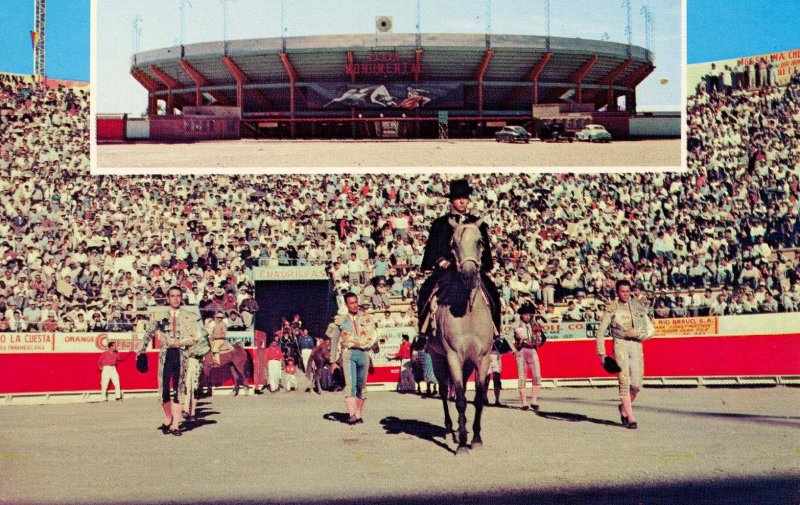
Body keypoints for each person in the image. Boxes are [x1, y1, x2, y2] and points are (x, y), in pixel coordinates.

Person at [417, 178, 501, 335]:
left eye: (465, 198)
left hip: (471, 269)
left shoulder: (478, 223)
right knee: (425, 292)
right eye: (458, 198)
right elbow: (433, 249)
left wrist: (478, 264)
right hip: (448, 271)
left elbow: (485, 251)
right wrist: (441, 261)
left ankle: (497, 335)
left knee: (493, 293)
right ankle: (423, 334)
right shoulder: (440, 223)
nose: (462, 201)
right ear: (451, 200)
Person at [136, 286, 205, 436]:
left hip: (182, 355)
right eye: (172, 296)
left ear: (182, 298)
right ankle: (168, 417)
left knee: (179, 389)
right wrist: (141, 350)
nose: (175, 298)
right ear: (167, 298)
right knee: (164, 389)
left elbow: (197, 337)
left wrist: (181, 343)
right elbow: (149, 333)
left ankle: (176, 424)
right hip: (165, 355)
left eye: (178, 296)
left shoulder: (189, 316)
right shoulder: (159, 316)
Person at [595, 279, 655, 430]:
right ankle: (631, 417)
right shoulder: (612, 307)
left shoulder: (636, 305)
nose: (626, 294)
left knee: (636, 385)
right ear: (617, 292)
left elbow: (647, 327)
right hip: (620, 344)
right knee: (624, 381)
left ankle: (623, 409)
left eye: (628, 291)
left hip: (635, 344)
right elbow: (601, 331)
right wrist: (602, 353)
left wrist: (639, 333)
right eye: (623, 291)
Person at [326, 292, 379, 425]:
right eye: (352, 303)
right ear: (346, 304)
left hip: (364, 353)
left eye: (356, 302)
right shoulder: (340, 320)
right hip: (348, 353)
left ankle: (358, 414)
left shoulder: (366, 318)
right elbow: (335, 341)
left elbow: (373, 334)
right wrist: (332, 361)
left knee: (361, 385)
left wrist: (376, 345)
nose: (355, 305)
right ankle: (351, 415)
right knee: (350, 385)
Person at [513, 303, 546, 411]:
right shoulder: (515, 324)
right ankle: (524, 403)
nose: (527, 316)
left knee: (537, 375)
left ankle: (534, 401)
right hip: (521, 351)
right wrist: (514, 351)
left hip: (532, 350)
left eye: (529, 314)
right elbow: (508, 339)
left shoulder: (535, 324)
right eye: (525, 314)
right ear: (521, 315)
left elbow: (543, 336)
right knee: (522, 377)